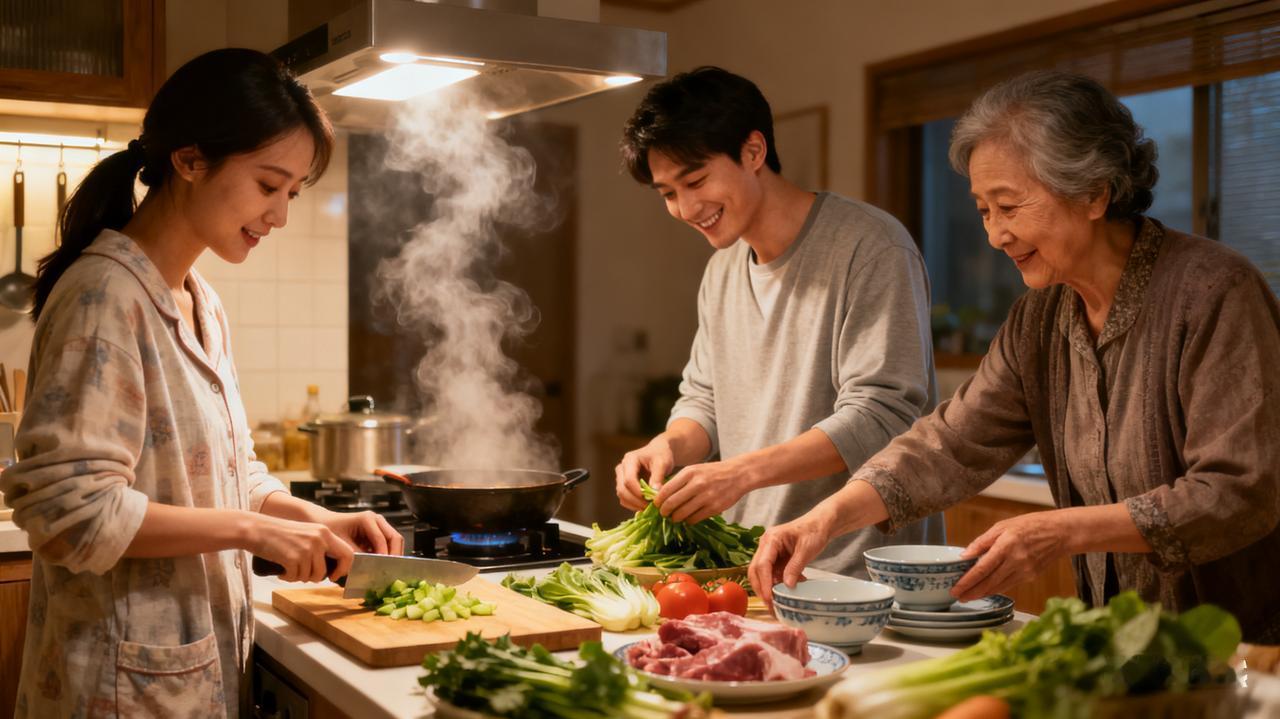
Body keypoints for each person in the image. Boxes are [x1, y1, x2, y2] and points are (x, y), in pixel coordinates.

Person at [749, 70, 1280, 643]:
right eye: (983, 210)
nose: (995, 235)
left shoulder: (1214, 292)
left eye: (1009, 206)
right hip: (1124, 643)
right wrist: (825, 517)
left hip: (1243, 647)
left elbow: (1240, 492)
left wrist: (1062, 531)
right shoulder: (1041, 317)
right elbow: (951, 443)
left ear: (1095, 193)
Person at [0, 49, 404, 717]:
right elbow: (68, 515)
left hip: (187, 672)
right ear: (190, 162)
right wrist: (252, 532)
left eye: (293, 193)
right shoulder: (105, 296)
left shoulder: (200, 300)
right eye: (268, 185)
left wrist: (310, 516)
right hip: (115, 687)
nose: (279, 214)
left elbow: (225, 469)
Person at [615, 66, 943, 575]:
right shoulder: (722, 268)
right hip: (756, 565)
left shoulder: (872, 246)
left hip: (858, 573)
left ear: (753, 151)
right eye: (668, 194)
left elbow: (881, 417)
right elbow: (706, 399)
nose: (685, 208)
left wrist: (738, 474)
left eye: (695, 180)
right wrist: (667, 446)